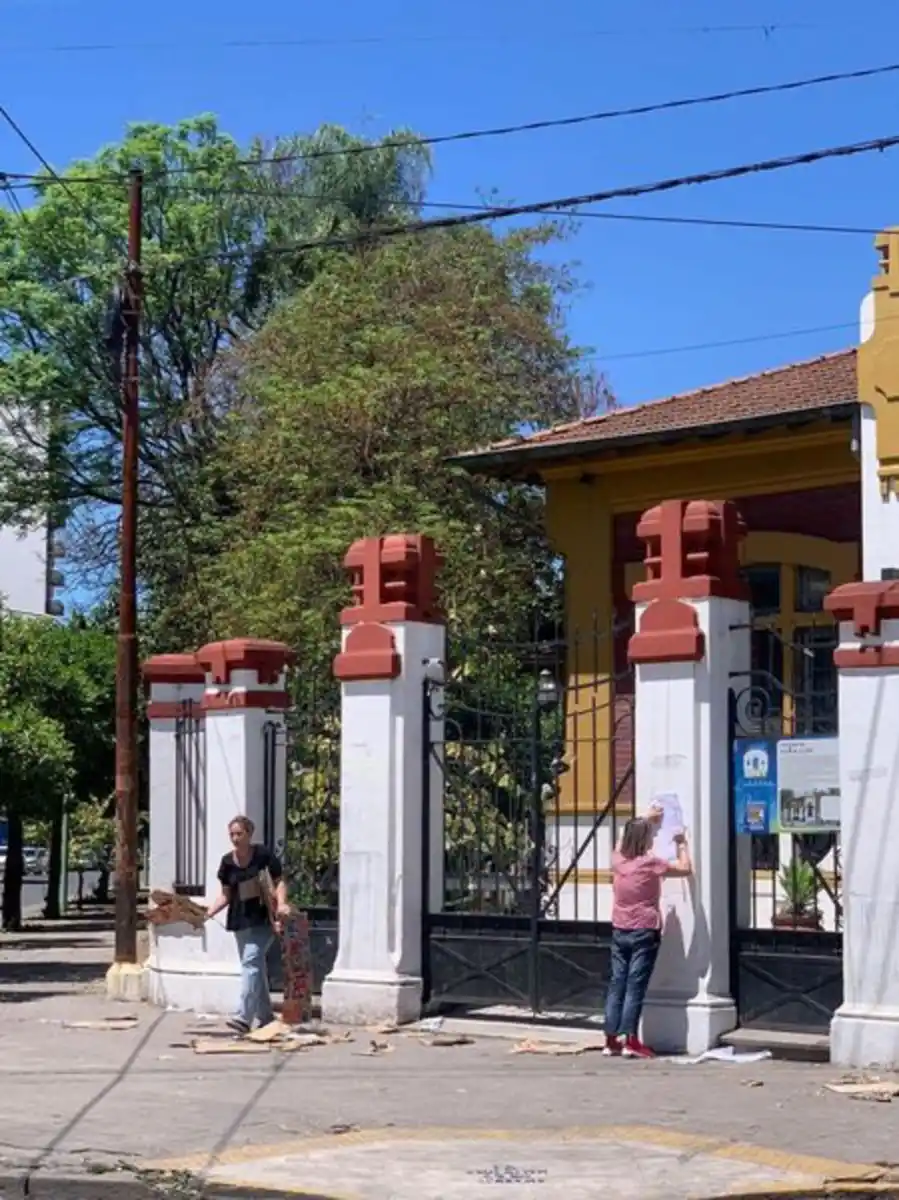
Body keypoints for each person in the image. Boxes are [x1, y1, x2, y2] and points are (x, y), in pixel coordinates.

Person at [603, 814, 693, 1059]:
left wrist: (645, 816)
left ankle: (611, 1039)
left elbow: (621, 841)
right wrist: (681, 843)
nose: (654, 837)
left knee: (617, 982)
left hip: (620, 928)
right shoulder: (650, 863)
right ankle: (630, 1039)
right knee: (635, 985)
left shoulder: (618, 860)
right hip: (644, 929)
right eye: (651, 835)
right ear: (644, 840)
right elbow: (685, 869)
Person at [204, 815, 291, 1036]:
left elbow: (279, 880)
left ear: (249, 834)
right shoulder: (227, 863)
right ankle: (266, 1017)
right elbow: (225, 895)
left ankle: (243, 1017)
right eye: (232, 834)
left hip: (264, 919)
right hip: (240, 921)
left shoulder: (262, 855)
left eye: (239, 833)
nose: (235, 838)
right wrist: (207, 913)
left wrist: (281, 904)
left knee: (251, 962)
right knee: (255, 967)